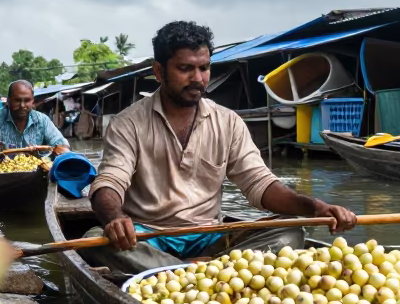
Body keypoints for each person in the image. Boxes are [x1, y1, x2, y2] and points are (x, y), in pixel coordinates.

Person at [86, 21, 357, 274]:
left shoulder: (228, 122)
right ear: (159, 71)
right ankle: (206, 271)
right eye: (185, 69)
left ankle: (179, 271)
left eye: (204, 68)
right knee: (96, 239)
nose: (198, 78)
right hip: (148, 238)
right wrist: (115, 218)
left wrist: (315, 207)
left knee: (291, 232)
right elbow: (110, 182)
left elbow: (261, 184)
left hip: (210, 238)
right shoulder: (128, 124)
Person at [0, 79, 69, 166]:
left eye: (27, 100)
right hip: (0, 173)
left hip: (34, 175)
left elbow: (62, 145)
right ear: (8, 100)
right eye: (17, 100)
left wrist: (61, 150)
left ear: (33, 101)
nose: (22, 105)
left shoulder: (42, 120)